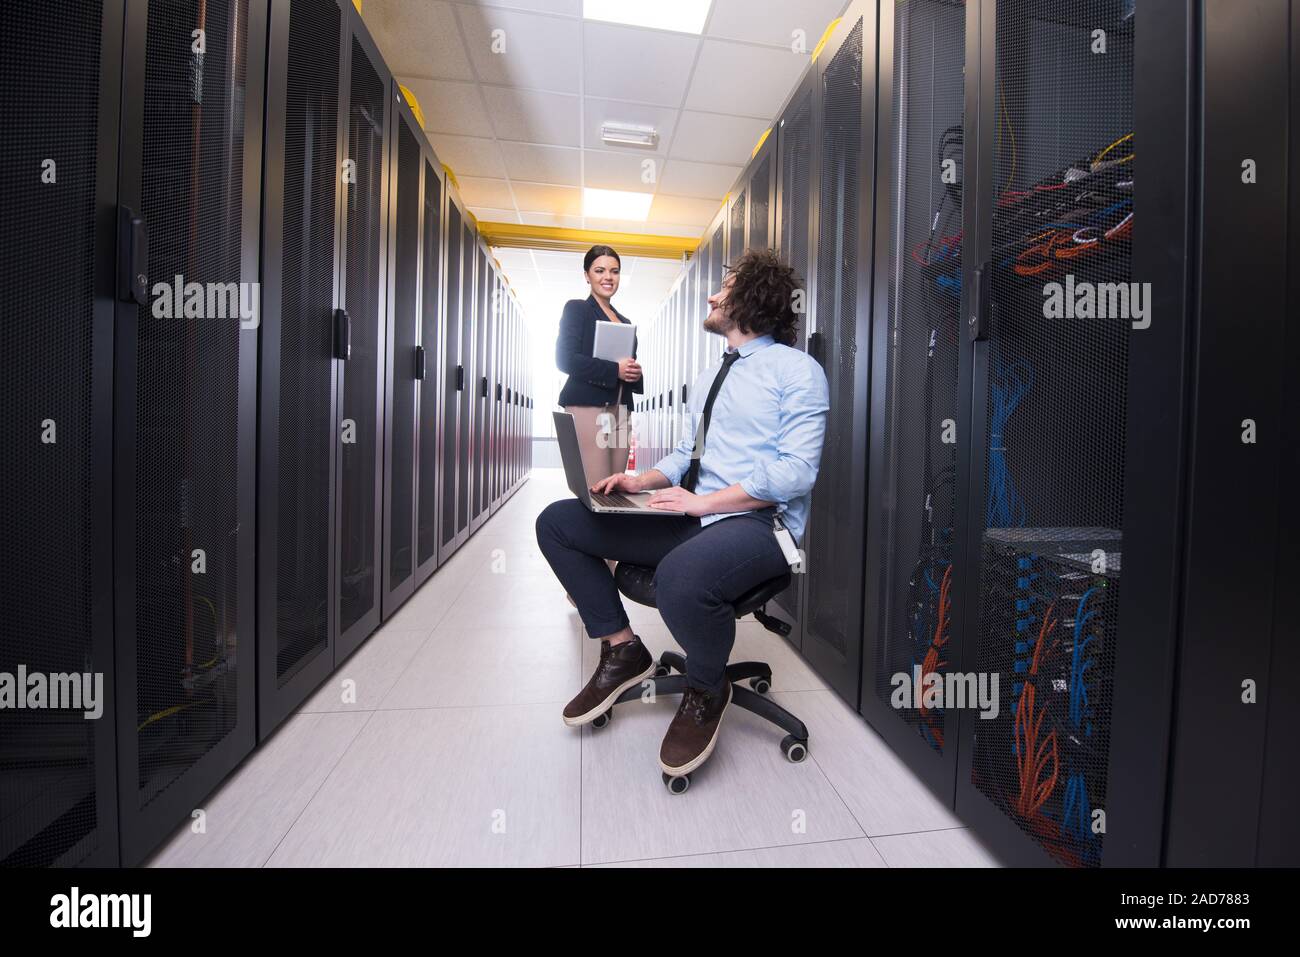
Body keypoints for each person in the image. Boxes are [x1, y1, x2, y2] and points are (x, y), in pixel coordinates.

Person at [536, 249, 829, 778]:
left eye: (725, 287)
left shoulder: (797, 371)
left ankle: (705, 685)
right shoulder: (710, 373)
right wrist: (640, 480)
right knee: (560, 521)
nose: (713, 296)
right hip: (694, 517)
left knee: (679, 577)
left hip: (759, 526)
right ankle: (622, 649)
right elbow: (687, 455)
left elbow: (796, 473)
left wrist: (706, 502)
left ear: (751, 300)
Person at [555, 245, 642, 488]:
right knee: (597, 486)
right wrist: (615, 370)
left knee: (617, 485)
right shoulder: (578, 309)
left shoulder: (625, 321)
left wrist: (634, 372)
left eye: (614, 271)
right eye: (599, 270)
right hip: (588, 406)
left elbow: (626, 365)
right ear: (587, 275)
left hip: (621, 409)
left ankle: (612, 527)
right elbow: (565, 359)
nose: (608, 277)